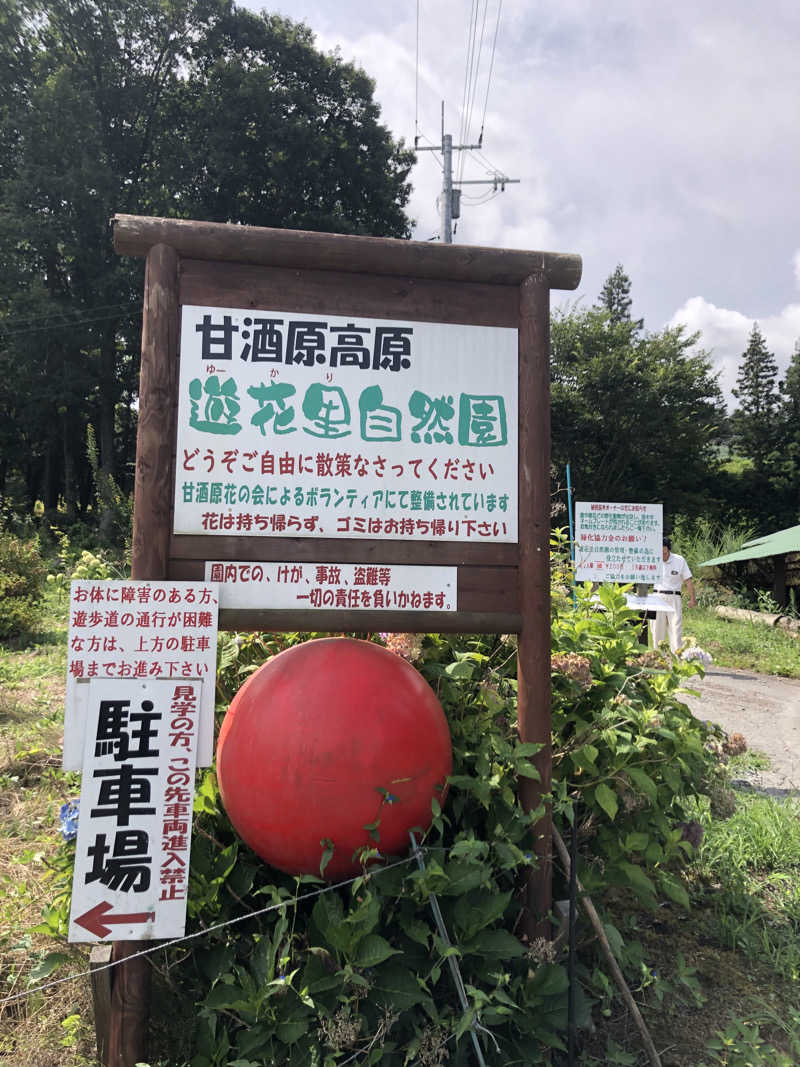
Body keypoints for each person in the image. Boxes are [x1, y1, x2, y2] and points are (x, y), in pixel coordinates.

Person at [650, 537, 696, 651]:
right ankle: (659, 659)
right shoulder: (652, 558)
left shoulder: (679, 560)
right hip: (656, 598)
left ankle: (677, 660)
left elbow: (688, 581)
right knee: (656, 631)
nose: (663, 556)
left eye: (665, 553)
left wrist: (692, 599)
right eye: (660, 554)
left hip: (674, 598)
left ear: (668, 550)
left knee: (676, 630)